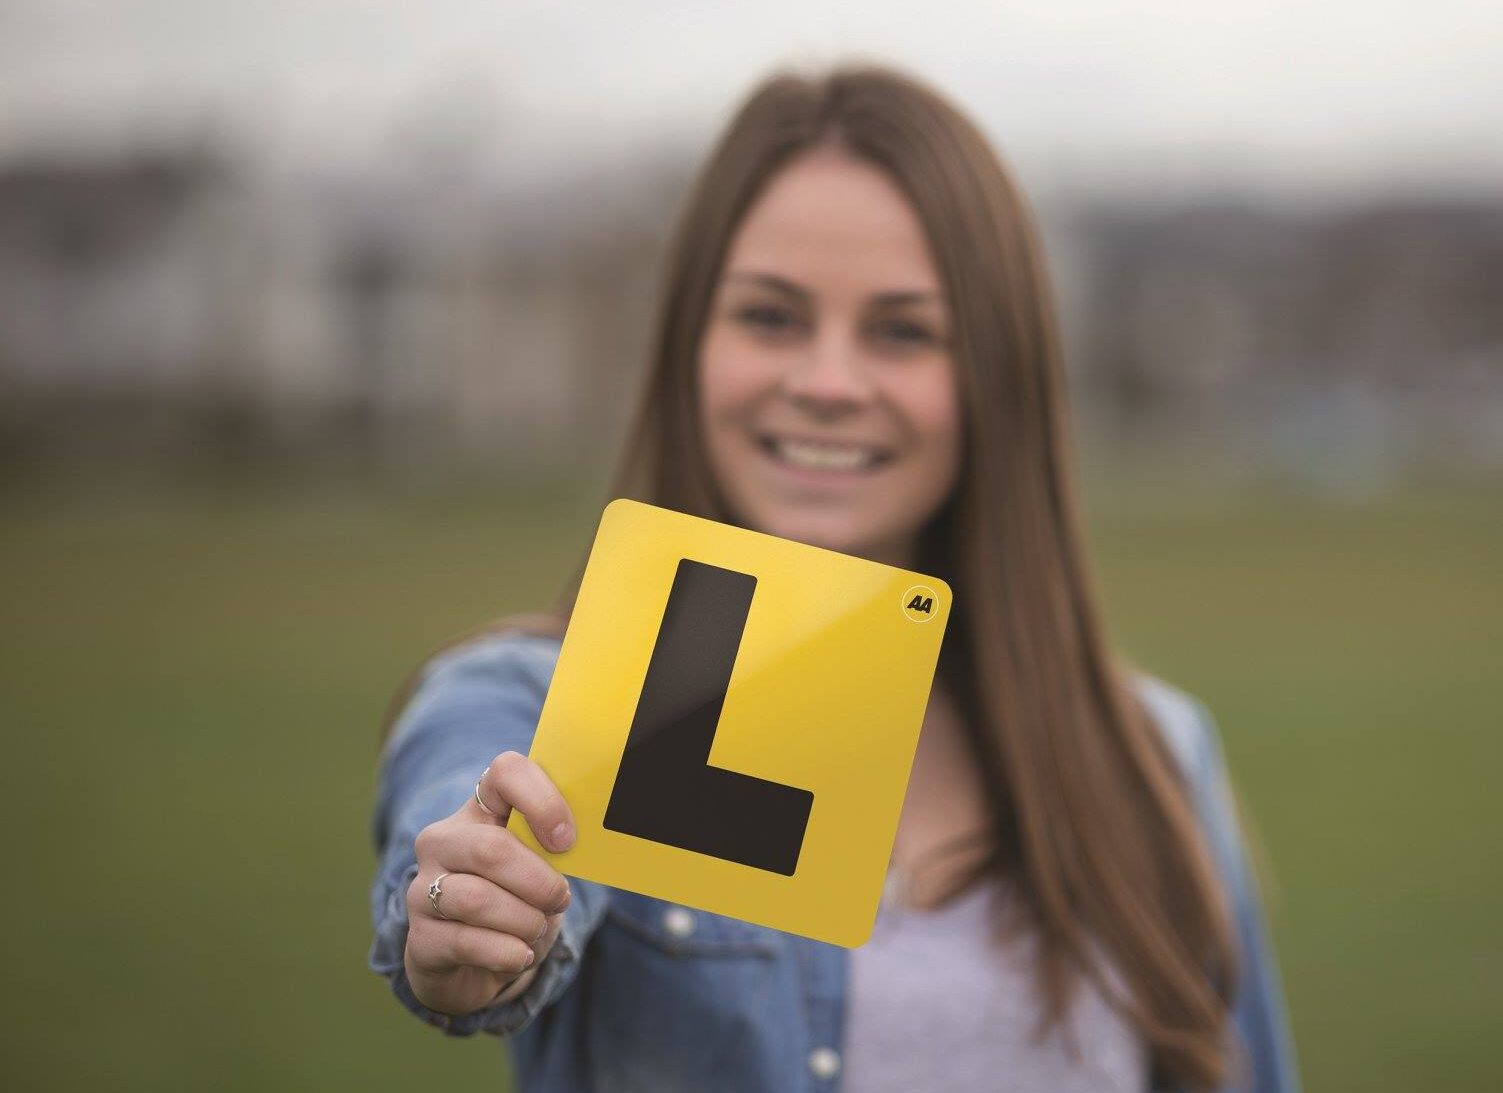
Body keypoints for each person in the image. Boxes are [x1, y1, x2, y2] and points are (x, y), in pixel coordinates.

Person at [368, 61, 1301, 1093]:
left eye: (901, 331)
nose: (824, 382)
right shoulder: (533, 701)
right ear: (691, 346)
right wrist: (475, 912)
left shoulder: (1154, 751)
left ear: (996, 376)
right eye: (771, 316)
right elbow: (463, 826)